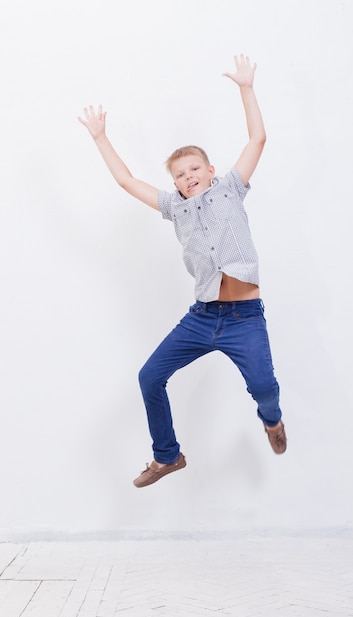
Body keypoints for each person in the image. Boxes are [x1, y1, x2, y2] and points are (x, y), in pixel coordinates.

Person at [78, 54, 286, 488]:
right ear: (176, 184)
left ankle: (272, 421)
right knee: (149, 377)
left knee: (265, 389)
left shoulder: (230, 188)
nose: (188, 176)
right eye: (180, 174)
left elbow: (258, 139)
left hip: (244, 319)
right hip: (201, 318)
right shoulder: (175, 208)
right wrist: (101, 137)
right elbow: (127, 181)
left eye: (195, 169)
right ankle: (167, 456)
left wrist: (246, 87)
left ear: (211, 172)